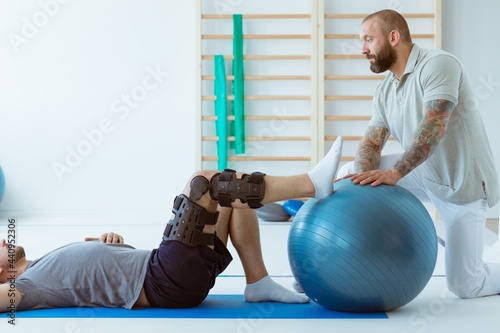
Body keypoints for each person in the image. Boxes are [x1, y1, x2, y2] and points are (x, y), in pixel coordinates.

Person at [0, 137, 343, 311]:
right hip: (163, 279)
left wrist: (110, 245)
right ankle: (311, 184)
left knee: (229, 187)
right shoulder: (25, 287)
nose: (3, 242)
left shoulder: (40, 264)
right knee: (203, 183)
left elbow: (96, 275)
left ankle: (258, 282)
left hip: (160, 269)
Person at [338, 9, 499, 298]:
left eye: (368, 40)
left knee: (465, 286)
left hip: (463, 186)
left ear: (394, 37)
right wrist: (361, 180)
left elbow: (433, 126)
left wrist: (394, 174)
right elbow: (372, 144)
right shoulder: (385, 90)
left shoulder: (438, 64)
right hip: (425, 175)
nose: (363, 49)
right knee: (349, 171)